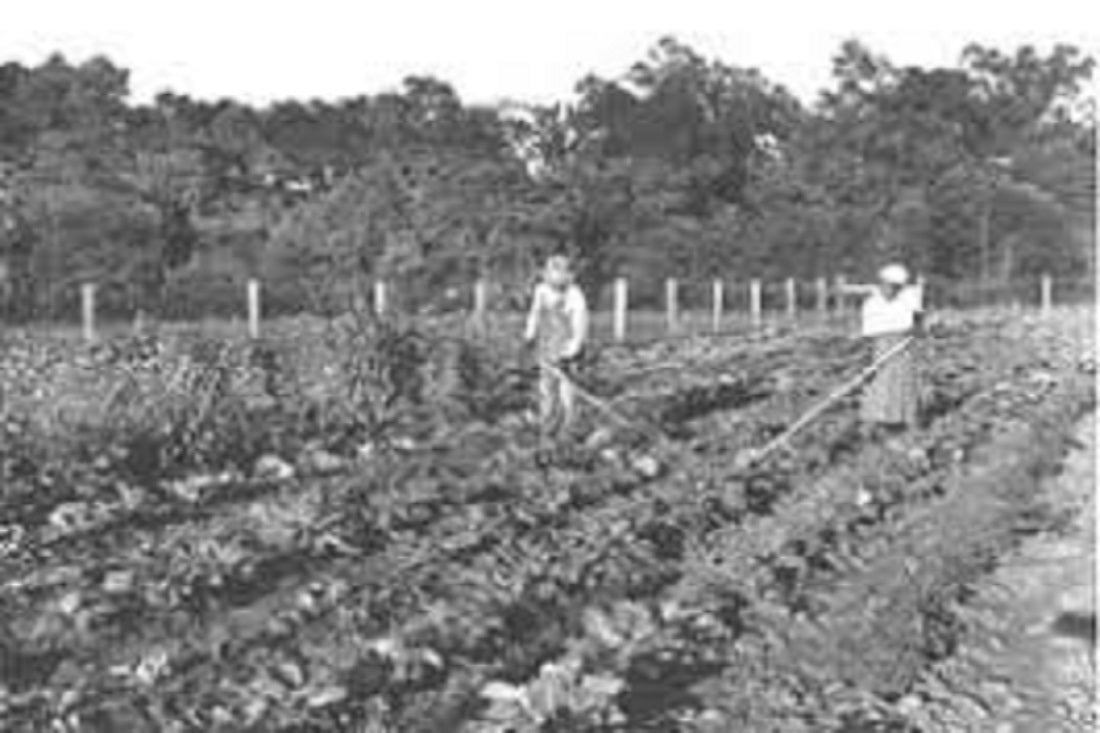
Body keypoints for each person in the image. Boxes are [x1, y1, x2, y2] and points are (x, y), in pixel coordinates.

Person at [841, 263, 924, 434]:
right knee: (877, 385)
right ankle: (872, 426)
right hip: (879, 346)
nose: (891, 291)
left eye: (896, 288)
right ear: (882, 284)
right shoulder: (872, 303)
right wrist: (866, 358)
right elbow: (868, 334)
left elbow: (918, 320)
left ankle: (910, 425)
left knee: (905, 385)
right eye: (888, 286)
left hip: (904, 347)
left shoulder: (909, 298)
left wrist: (916, 329)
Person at [524, 254, 589, 436]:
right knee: (545, 386)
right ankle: (546, 423)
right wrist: (529, 334)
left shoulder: (575, 295)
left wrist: (572, 351)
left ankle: (568, 425)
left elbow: (580, 325)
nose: (557, 277)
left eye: (562, 273)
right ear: (545, 274)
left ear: (569, 276)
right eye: (552, 272)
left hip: (567, 347)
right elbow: (535, 313)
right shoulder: (541, 290)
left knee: (566, 389)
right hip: (546, 345)